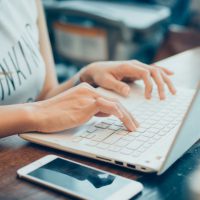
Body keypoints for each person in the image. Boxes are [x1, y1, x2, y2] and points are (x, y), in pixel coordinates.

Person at [0, 0, 176, 138]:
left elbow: (44, 97)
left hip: (25, 147)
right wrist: (36, 113)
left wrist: (87, 76)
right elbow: (40, 109)